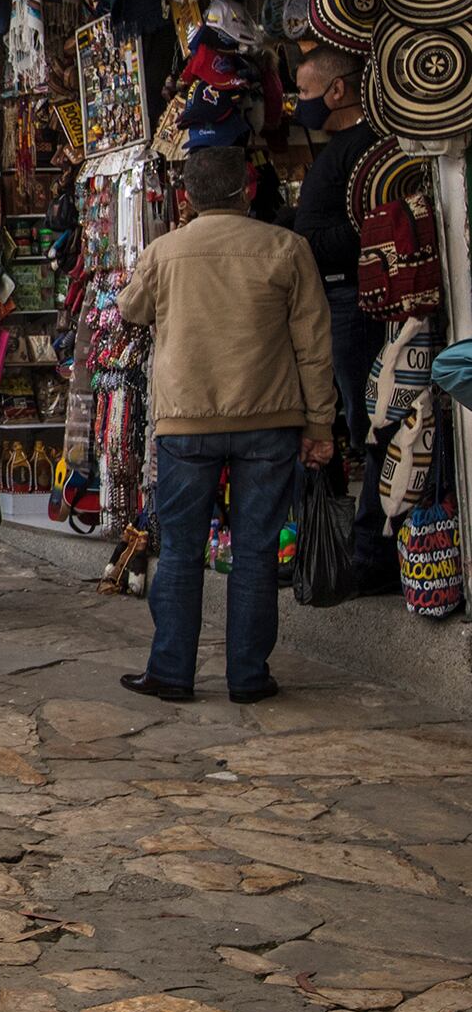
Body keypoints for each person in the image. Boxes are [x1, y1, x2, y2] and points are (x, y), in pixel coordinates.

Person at [116, 145, 336, 704]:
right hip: (271, 419)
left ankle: (170, 671)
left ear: (187, 196)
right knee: (257, 553)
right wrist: (321, 425)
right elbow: (314, 348)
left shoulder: (165, 251)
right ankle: (248, 675)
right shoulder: (287, 248)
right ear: (248, 188)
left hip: (187, 422)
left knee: (183, 550)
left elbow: (130, 310)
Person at [290, 46, 396, 595]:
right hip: (338, 303)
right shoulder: (344, 151)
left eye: (305, 94)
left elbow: (367, 234)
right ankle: (353, 544)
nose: (299, 105)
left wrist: (303, 239)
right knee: (347, 424)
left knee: (367, 424)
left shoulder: (362, 152)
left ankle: (372, 550)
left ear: (337, 91)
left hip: (354, 304)